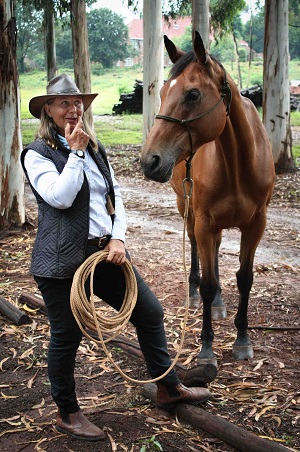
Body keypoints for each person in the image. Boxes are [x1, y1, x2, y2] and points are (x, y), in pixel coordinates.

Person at [21, 74, 211, 442]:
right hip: (60, 260)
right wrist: (74, 153)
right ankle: (67, 412)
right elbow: (59, 197)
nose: (74, 109)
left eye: (78, 103)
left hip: (104, 253)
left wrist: (118, 237)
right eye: (65, 103)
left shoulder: (94, 148)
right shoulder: (37, 154)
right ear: (48, 110)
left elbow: (114, 196)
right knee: (67, 334)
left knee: (149, 311)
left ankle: (168, 387)